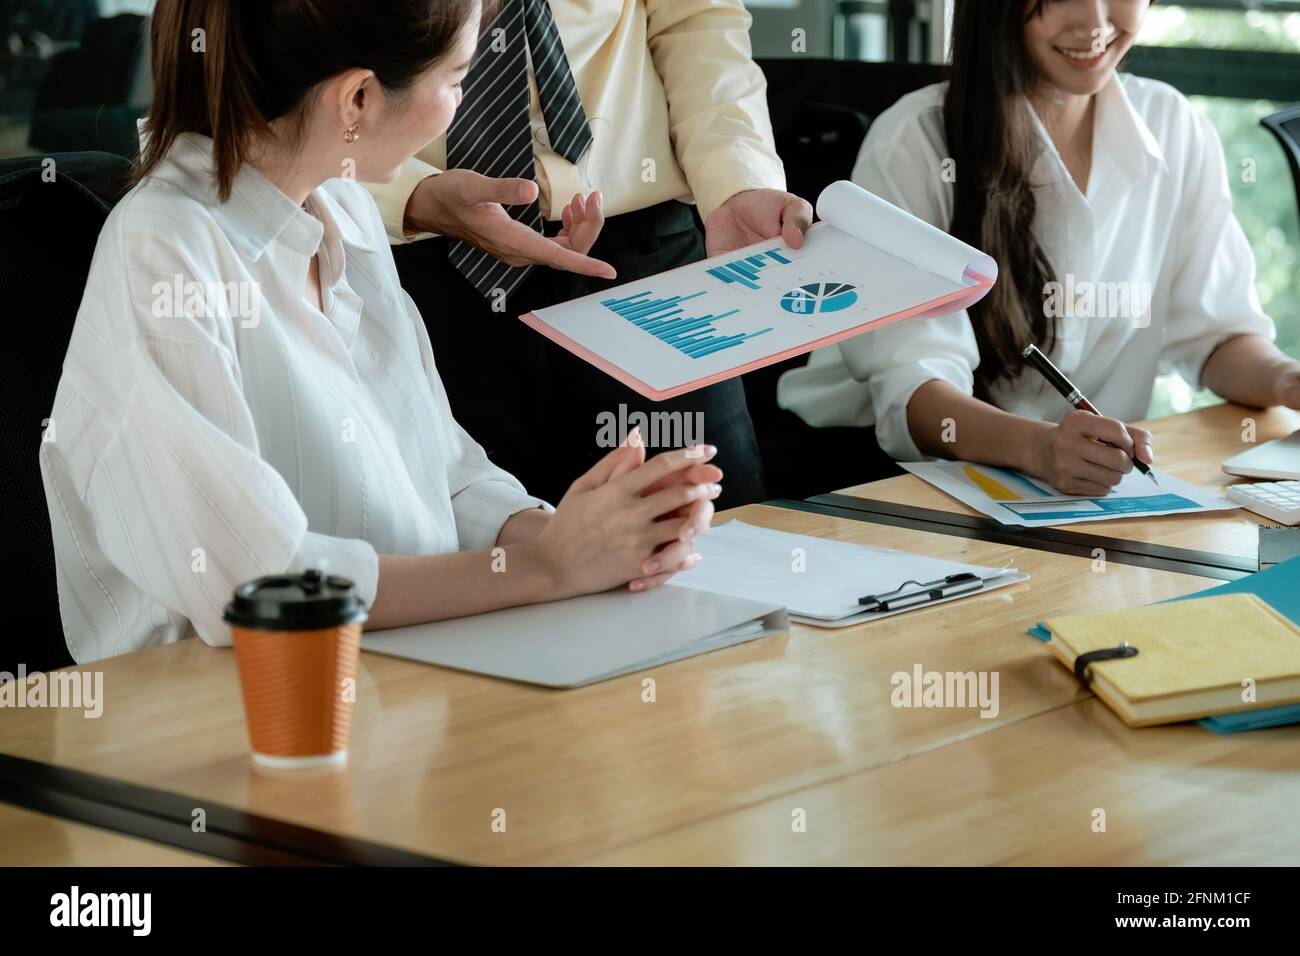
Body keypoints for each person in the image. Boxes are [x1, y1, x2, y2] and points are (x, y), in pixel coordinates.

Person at [39, 0, 723, 664]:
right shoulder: (165, 247)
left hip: (398, 671)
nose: (460, 105)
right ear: (359, 99)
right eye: (457, 80)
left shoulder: (344, 210)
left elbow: (441, 473)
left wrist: (592, 535)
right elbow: (255, 586)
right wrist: (548, 566)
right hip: (212, 721)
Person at [778, 0, 1300, 497]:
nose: (1095, 22)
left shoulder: (1175, 126)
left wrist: (1286, 379)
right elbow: (915, 392)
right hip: (866, 474)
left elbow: (1217, 336)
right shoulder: (915, 141)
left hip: (1069, 486)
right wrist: (1040, 448)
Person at [369, 0, 814, 509]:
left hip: (645, 269)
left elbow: (696, 21)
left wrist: (737, 179)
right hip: (424, 263)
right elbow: (294, 60)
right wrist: (410, 196)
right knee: (466, 549)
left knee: (712, 542)